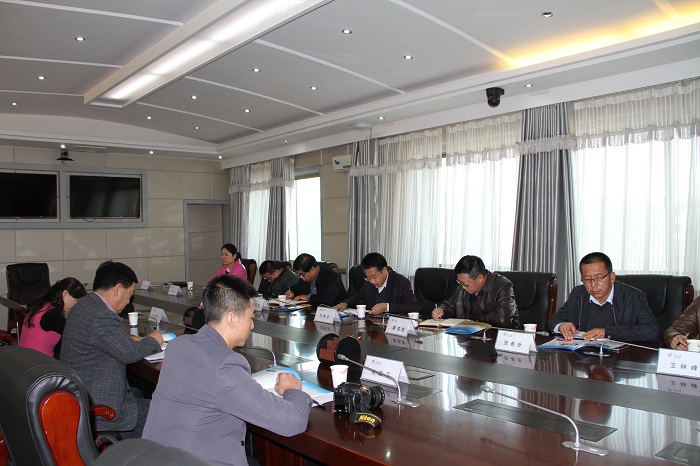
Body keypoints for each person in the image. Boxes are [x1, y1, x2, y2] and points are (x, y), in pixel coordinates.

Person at [142, 275, 311, 465]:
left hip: (158, 456)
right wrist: (292, 391)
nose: (252, 325)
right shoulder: (224, 365)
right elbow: (292, 422)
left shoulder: (178, 345)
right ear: (231, 318)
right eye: (250, 317)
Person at [61, 261, 164, 438]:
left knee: (138, 393)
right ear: (118, 289)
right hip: (100, 404)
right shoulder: (102, 315)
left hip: (81, 393)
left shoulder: (85, 305)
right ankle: (133, 452)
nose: (129, 301)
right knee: (159, 411)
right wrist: (154, 339)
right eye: (130, 295)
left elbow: (103, 339)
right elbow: (129, 354)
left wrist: (128, 340)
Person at [547, 252, 658, 342]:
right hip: (583, 355)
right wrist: (561, 326)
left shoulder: (633, 297)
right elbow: (553, 321)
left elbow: (651, 330)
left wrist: (607, 332)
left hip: (618, 358)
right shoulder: (578, 294)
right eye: (587, 279)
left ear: (612, 277)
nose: (593, 285)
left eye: (599, 278)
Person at [432, 255, 519, 327]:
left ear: (480, 278)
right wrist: (441, 310)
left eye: (465, 284)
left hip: (498, 336)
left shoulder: (502, 286)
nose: (462, 287)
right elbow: (451, 306)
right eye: (459, 282)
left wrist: (475, 320)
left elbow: (502, 318)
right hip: (468, 334)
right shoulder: (463, 287)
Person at [18, 277, 87, 358]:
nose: (76, 304)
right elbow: (74, 334)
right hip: (38, 361)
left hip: (23, 357)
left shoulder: (42, 305)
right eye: (76, 300)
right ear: (65, 294)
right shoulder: (52, 314)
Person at [335, 252, 419, 316]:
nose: (372, 281)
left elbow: (413, 307)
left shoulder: (401, 282)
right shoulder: (368, 283)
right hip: (372, 326)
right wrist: (345, 304)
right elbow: (357, 298)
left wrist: (387, 307)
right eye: (368, 278)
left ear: (384, 270)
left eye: (374, 277)